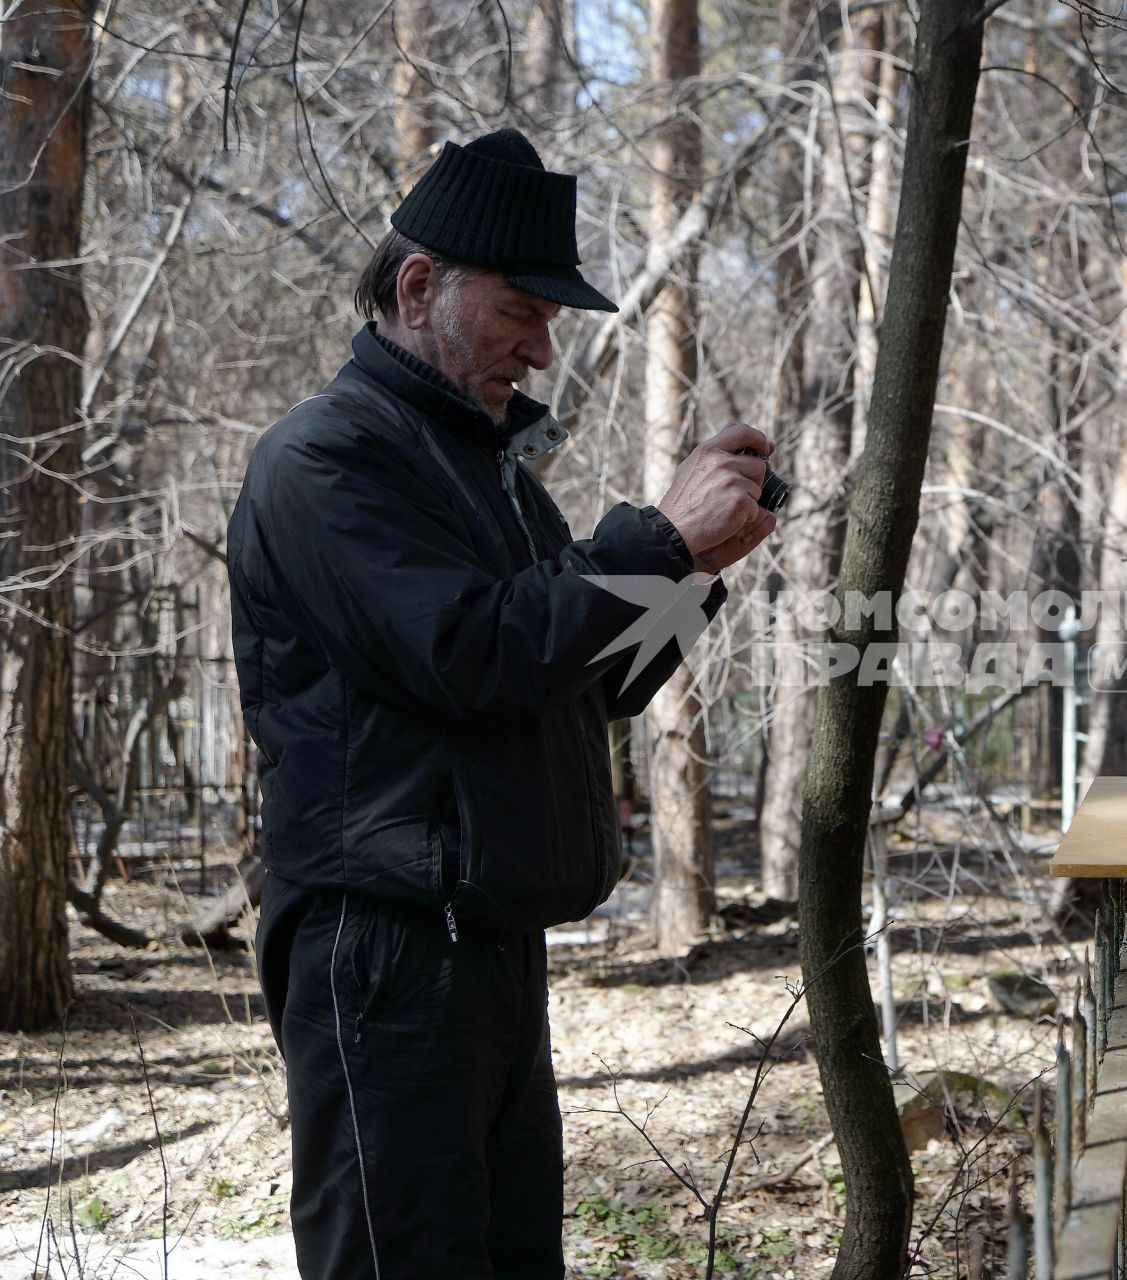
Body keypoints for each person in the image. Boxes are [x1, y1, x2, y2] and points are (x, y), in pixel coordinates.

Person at [227, 128, 776, 1278]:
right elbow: (470, 653)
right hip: (379, 949)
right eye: (522, 311)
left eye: (549, 321)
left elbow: (596, 677)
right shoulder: (322, 463)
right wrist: (653, 539)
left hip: (485, 945)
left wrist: (694, 566)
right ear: (418, 285)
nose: (539, 349)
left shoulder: (484, 469)